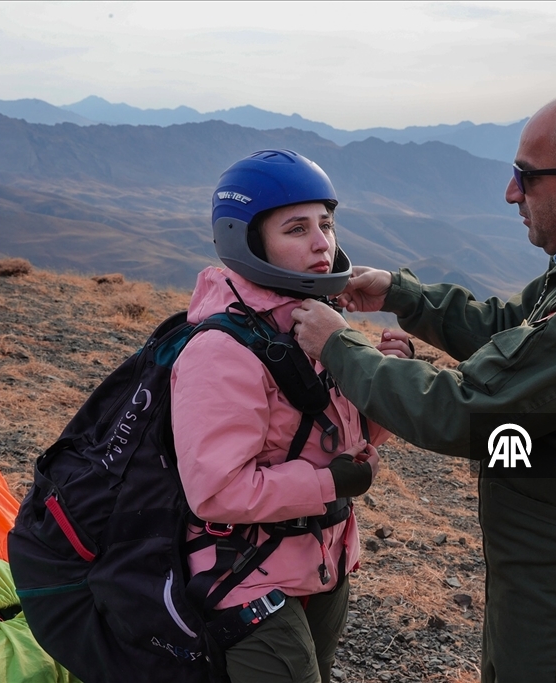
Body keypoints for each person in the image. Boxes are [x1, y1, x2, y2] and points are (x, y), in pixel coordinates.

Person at [290, 93, 556, 683]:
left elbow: (468, 411)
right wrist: (405, 296)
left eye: (527, 178)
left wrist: (338, 344)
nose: (512, 193)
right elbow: (515, 332)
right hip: (552, 546)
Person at [172, 149, 410, 683]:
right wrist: (328, 482)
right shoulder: (221, 350)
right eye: (297, 229)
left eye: (325, 224)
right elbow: (215, 491)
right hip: (244, 574)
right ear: (249, 240)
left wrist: (386, 381)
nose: (322, 243)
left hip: (321, 562)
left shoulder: (317, 324)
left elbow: (346, 435)